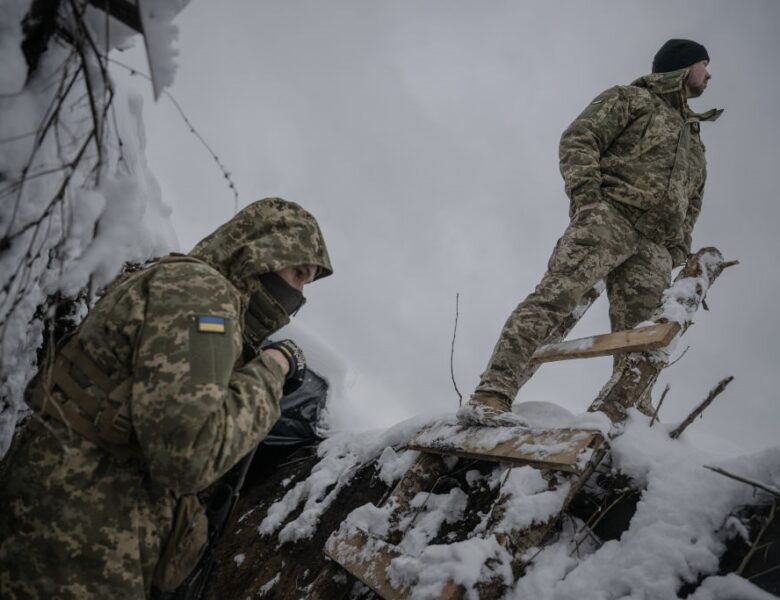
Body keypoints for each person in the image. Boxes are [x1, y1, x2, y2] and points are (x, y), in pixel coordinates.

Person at [0, 198, 333, 598]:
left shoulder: (187, 287)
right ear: (261, 251)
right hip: (73, 554)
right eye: (297, 273)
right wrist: (273, 367)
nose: (298, 293)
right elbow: (190, 454)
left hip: (65, 538)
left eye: (306, 282)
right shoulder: (204, 295)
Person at [463, 39, 723, 424]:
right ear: (684, 67)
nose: (710, 74)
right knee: (554, 301)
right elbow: (580, 137)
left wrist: (677, 248)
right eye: (705, 65)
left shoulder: (695, 139)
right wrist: (587, 199)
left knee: (643, 337)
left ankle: (629, 420)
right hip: (609, 219)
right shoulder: (631, 99)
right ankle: (493, 393)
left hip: (654, 247)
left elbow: (694, 200)